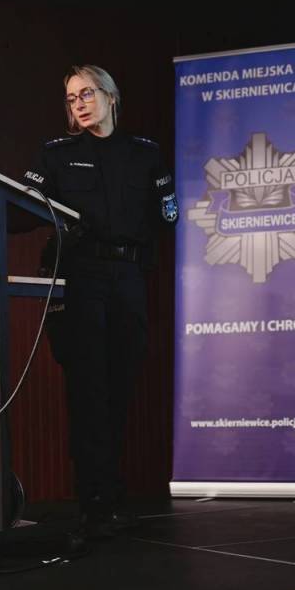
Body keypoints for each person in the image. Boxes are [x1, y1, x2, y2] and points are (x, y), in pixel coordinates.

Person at [23, 65, 178, 537]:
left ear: (111, 96)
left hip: (128, 277)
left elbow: (167, 216)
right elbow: (21, 206)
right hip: (81, 277)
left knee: (121, 384)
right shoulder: (57, 155)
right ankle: (95, 499)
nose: (80, 104)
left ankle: (108, 491)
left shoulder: (145, 154)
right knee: (88, 389)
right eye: (72, 98)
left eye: (87, 93)